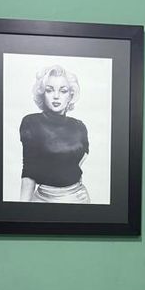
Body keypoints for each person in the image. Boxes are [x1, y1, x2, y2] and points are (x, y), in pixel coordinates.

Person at [19, 65, 91, 203]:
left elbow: (76, 162)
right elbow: (28, 170)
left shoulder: (80, 126)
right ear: (42, 93)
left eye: (63, 91)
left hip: (79, 198)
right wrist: (21, 209)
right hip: (44, 198)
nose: (56, 96)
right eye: (49, 90)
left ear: (70, 95)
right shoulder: (31, 122)